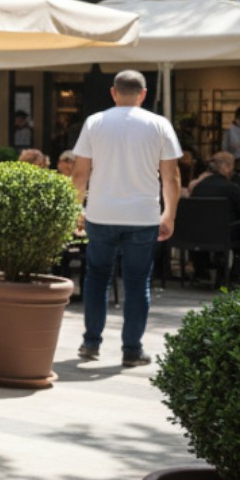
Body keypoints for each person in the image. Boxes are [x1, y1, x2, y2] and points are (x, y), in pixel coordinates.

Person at [71, 69, 181, 367]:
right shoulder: (159, 124)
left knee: (96, 278)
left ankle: (91, 343)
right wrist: (169, 214)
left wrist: (74, 210)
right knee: (137, 282)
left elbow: (80, 174)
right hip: (143, 215)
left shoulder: (95, 122)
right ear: (143, 94)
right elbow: (171, 177)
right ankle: (132, 350)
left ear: (113, 92)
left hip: (101, 213)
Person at [186, 153, 240, 280]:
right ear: (227, 167)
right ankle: (236, 273)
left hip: (196, 236)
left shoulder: (198, 187)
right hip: (224, 235)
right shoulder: (232, 188)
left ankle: (201, 271)